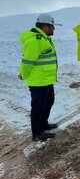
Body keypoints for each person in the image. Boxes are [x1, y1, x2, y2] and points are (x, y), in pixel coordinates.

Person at [19, 13, 61, 141]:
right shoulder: (35, 41)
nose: (54, 29)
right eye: (52, 26)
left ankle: (43, 124)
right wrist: (23, 74)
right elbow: (27, 61)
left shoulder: (45, 39)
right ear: (46, 27)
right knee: (38, 107)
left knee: (49, 102)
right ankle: (37, 133)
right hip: (38, 81)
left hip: (46, 79)